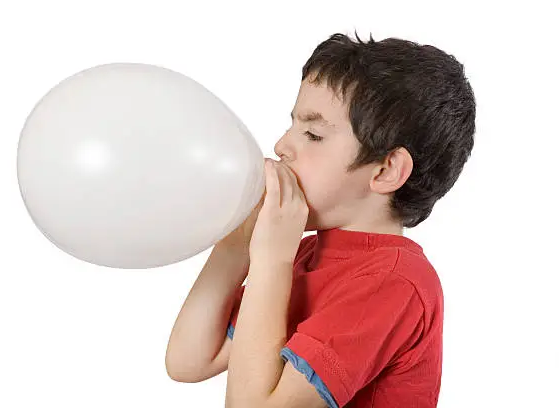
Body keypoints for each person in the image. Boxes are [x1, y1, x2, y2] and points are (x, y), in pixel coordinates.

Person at [165, 30, 476, 408]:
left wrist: (271, 261)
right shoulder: (303, 255)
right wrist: (237, 245)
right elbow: (188, 360)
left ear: (386, 170)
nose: (281, 145)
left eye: (312, 134)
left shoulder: (394, 281)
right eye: (292, 125)